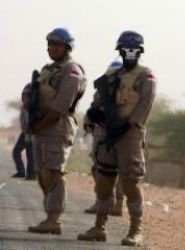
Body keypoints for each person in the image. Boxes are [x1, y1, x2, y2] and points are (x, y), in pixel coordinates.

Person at [77, 30, 156, 246]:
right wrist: (93, 114)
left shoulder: (146, 76)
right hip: (106, 134)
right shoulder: (110, 77)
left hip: (130, 134)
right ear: (120, 51)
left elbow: (144, 106)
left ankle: (135, 230)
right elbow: (97, 102)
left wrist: (126, 126)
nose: (130, 53)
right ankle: (99, 227)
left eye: (134, 49)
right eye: (126, 49)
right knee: (103, 182)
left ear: (140, 52)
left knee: (130, 182)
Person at [24, 27, 87, 234]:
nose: (52, 48)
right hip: (41, 125)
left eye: (57, 44)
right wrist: (27, 101)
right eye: (50, 44)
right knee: (42, 174)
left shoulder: (72, 70)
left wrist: (38, 124)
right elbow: (30, 90)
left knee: (54, 172)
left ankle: (54, 219)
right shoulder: (48, 69)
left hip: (57, 126)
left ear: (67, 47)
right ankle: (50, 217)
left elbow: (61, 105)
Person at [84, 60, 125, 217]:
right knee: (99, 170)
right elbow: (94, 109)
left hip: (120, 134)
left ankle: (115, 203)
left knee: (119, 172)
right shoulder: (102, 89)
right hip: (102, 133)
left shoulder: (131, 89)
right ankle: (105, 201)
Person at [12, 102, 35, 180]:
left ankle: (26, 173)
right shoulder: (25, 107)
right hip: (27, 132)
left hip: (30, 132)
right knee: (30, 153)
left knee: (17, 151)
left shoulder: (32, 107)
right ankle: (30, 174)